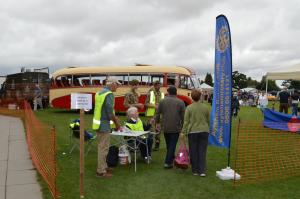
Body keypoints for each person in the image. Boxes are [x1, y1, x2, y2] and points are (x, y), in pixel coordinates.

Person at [92, 77, 122, 178]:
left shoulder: (99, 92)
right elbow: (109, 112)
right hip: (104, 124)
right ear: (112, 83)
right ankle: (101, 171)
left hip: (98, 123)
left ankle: (104, 166)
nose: (118, 87)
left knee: (102, 146)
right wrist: (117, 124)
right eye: (117, 84)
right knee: (103, 148)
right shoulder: (109, 94)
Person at [181, 89, 210, 176]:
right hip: (204, 131)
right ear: (200, 96)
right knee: (202, 151)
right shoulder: (205, 107)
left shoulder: (189, 108)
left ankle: (195, 170)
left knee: (193, 151)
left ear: (192, 97)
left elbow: (186, 121)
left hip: (193, 131)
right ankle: (202, 171)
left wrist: (183, 132)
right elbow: (208, 120)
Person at [155, 86, 185, 168]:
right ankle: (168, 163)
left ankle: (171, 159)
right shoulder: (181, 102)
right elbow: (183, 117)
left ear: (169, 92)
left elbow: (157, 113)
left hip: (165, 126)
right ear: (176, 92)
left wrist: (157, 123)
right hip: (175, 127)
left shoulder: (162, 101)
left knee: (169, 145)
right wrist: (183, 127)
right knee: (172, 145)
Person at [145, 81, 165, 151]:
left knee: (158, 130)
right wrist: (155, 106)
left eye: (160, 85)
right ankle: (148, 145)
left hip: (159, 115)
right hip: (151, 115)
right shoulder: (150, 93)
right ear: (155, 85)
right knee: (150, 130)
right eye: (159, 86)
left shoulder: (161, 93)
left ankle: (157, 145)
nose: (160, 87)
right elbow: (146, 104)